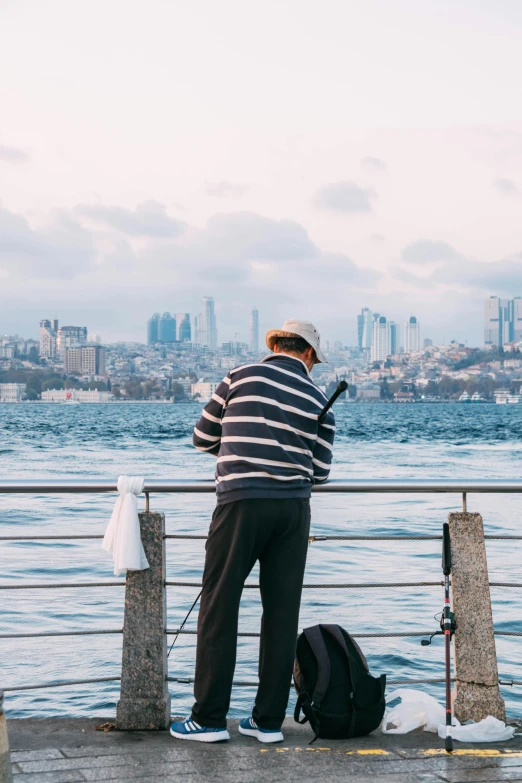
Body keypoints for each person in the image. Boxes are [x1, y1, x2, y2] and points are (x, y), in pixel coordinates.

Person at [170, 319, 335, 743]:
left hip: (241, 503)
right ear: (309, 355)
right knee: (281, 617)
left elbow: (202, 437)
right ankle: (266, 722)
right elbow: (320, 472)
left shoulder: (241, 375)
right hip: (294, 512)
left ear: (276, 344)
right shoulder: (320, 399)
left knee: (219, 608)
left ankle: (208, 720)